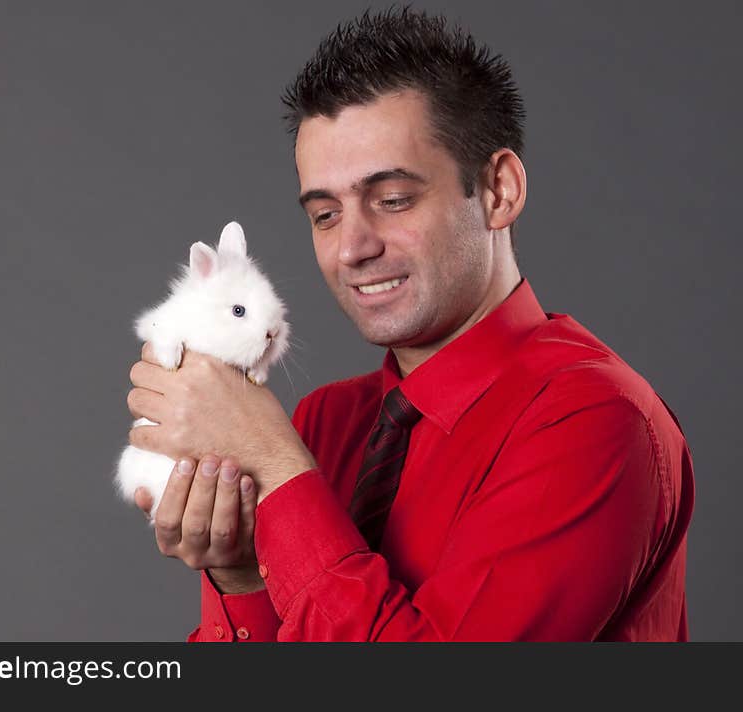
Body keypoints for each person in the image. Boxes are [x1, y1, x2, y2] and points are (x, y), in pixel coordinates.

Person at [126, 8, 694, 641]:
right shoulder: (321, 424)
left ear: (498, 190)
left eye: (392, 199)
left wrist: (275, 464)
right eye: (325, 215)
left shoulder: (595, 422)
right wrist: (242, 575)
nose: (351, 248)